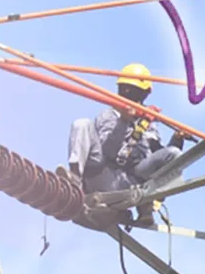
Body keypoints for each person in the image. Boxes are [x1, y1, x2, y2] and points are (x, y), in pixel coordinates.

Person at [58, 63, 186, 226]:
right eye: (125, 89)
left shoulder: (148, 122)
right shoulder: (109, 116)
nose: (127, 93)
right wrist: (123, 121)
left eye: (131, 90)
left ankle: (147, 204)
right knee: (81, 124)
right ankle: (74, 180)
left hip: (132, 179)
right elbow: (107, 151)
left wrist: (177, 139)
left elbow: (159, 155)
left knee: (175, 154)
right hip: (102, 173)